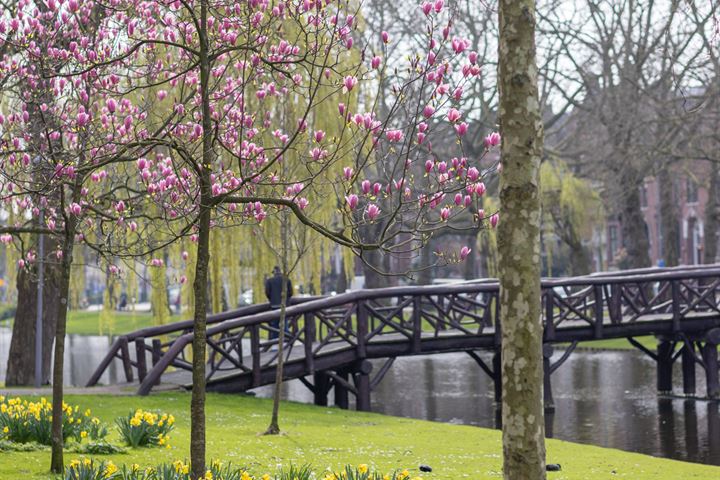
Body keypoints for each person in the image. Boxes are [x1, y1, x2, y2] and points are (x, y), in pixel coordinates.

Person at [265, 266, 293, 340]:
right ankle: (286, 341)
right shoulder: (287, 280)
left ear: (274, 272)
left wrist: (272, 300)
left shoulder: (269, 281)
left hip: (274, 306)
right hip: (284, 306)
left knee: (274, 326)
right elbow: (290, 293)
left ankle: (275, 342)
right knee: (284, 324)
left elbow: (267, 293)